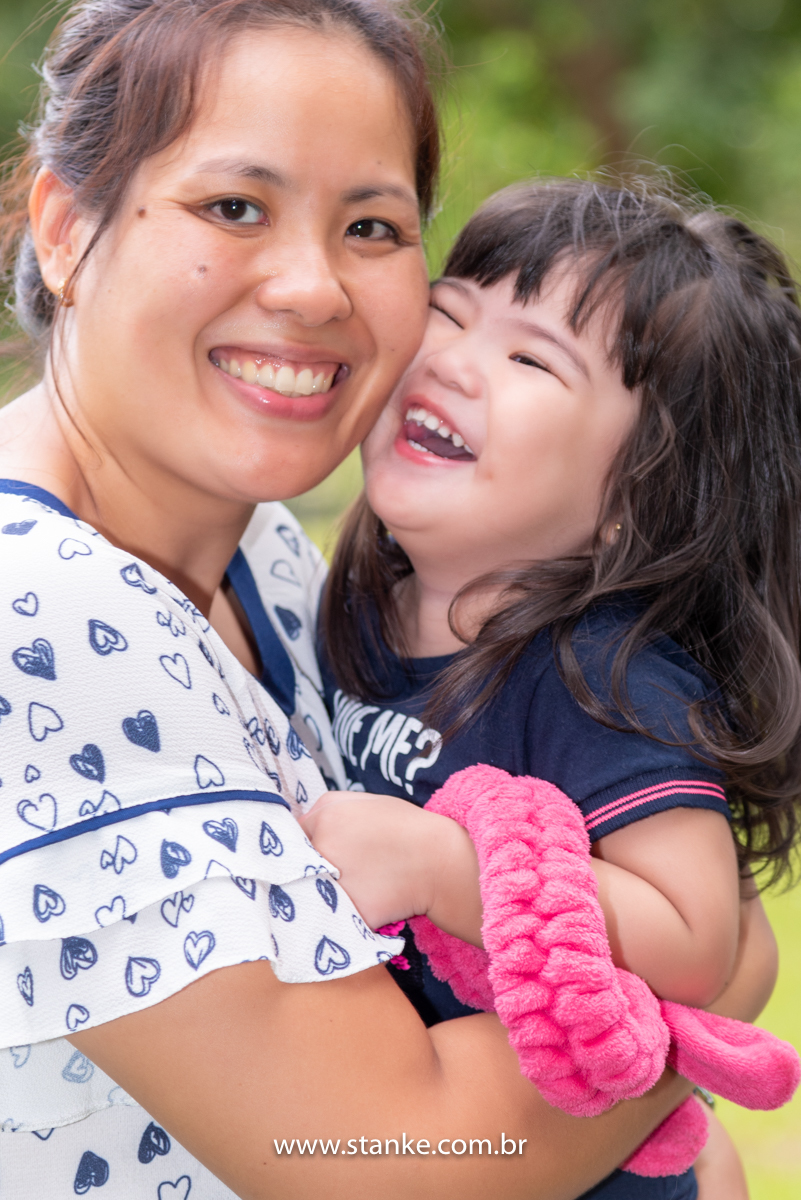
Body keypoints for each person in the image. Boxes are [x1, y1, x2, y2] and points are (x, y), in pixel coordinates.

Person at [1, 3, 761, 1197]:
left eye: (370, 225)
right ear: (63, 226)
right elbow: (386, 1165)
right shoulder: (33, 617)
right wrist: (691, 1017)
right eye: (233, 206)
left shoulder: (273, 559)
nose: (311, 287)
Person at [309, 179, 801, 1196]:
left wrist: (447, 871)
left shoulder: (602, 673)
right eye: (446, 313)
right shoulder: (357, 602)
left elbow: (704, 940)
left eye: (530, 358)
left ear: (635, 497)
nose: (448, 358)